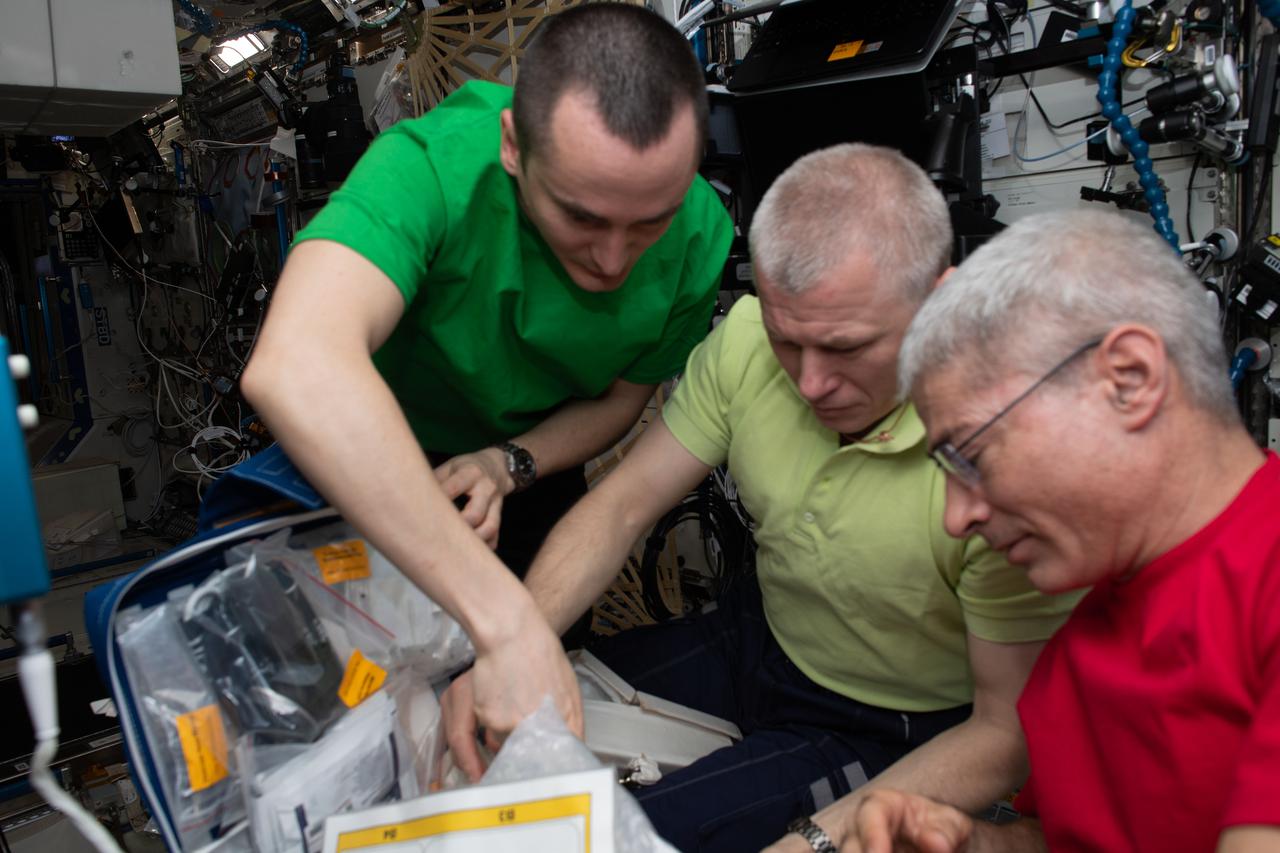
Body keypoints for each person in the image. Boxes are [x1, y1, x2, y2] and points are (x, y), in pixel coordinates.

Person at [442, 143, 1079, 852]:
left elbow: (1004, 732)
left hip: (888, 720)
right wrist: (511, 644)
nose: (809, 384)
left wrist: (819, 838)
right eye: (788, 340)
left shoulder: (999, 455)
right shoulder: (746, 341)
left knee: (613, 838)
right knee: (512, 725)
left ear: (941, 299)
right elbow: (621, 506)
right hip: (759, 634)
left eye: (845, 347)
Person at [241, 4, 732, 749]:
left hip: (526, 474)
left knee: (510, 726)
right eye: (582, 218)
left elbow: (622, 398)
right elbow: (296, 365)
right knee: (340, 722)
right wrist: (505, 620)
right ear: (512, 146)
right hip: (370, 462)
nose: (613, 260)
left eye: (648, 224)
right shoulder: (432, 167)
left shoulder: (699, 235)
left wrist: (512, 463)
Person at [835, 209, 1280, 852]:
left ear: (1128, 379)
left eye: (969, 457)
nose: (955, 519)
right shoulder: (1078, 648)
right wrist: (970, 845)